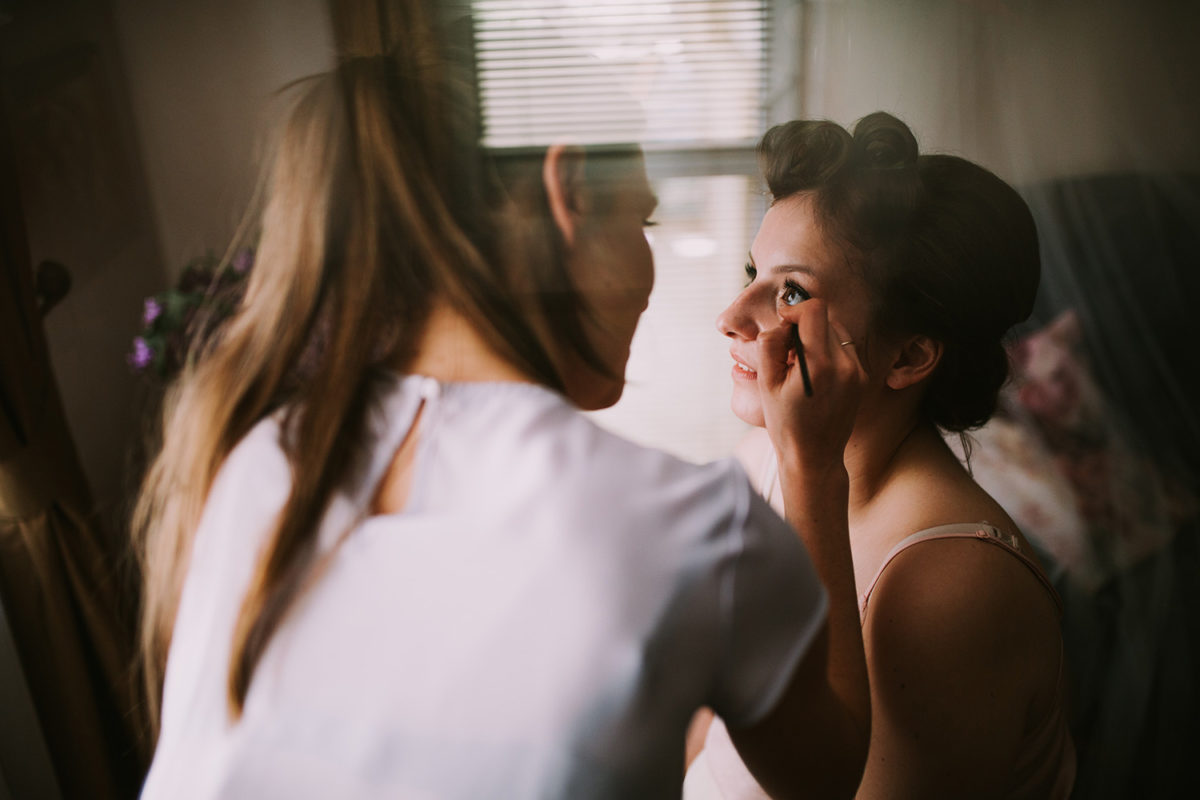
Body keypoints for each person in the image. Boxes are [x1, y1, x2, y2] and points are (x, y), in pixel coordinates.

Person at [132, 4, 870, 797]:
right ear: (570, 193)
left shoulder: (259, 457)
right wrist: (813, 466)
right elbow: (821, 775)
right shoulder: (685, 526)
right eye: (641, 216)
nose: (656, 271)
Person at [686, 112, 1075, 799]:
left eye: (791, 292)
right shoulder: (759, 460)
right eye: (754, 272)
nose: (732, 315)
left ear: (908, 355)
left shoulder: (951, 588)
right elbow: (713, 715)